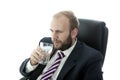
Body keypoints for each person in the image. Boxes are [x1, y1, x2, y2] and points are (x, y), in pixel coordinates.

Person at [20, 10, 103, 80]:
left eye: (58, 31)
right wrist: (32, 63)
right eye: (52, 31)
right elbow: (24, 71)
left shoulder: (91, 58)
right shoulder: (46, 43)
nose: (53, 37)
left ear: (74, 33)